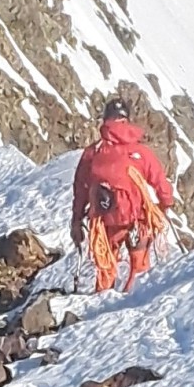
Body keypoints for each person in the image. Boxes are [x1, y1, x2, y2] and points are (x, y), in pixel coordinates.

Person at [71, 97, 176, 293]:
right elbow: (160, 182)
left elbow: (80, 189)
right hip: (136, 218)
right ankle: (133, 302)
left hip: (104, 221)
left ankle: (101, 301)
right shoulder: (140, 151)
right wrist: (165, 203)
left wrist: (77, 219)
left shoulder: (93, 152)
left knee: (105, 264)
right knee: (139, 268)